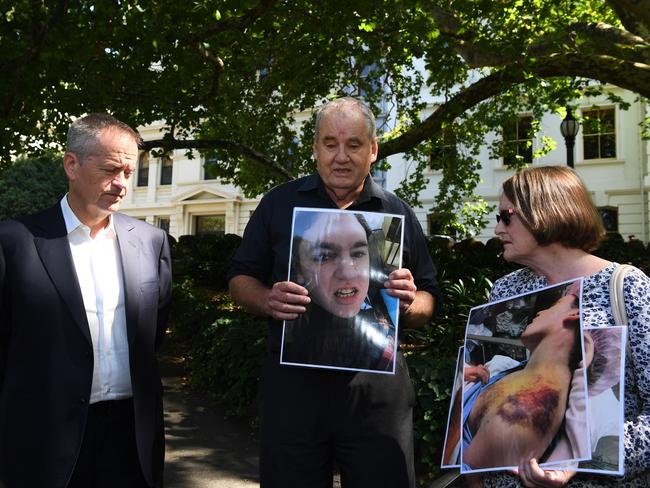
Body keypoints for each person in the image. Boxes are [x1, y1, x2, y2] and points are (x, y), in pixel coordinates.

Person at [227, 96, 440, 488]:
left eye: (354, 144)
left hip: (376, 395)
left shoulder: (396, 213)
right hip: (293, 393)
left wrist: (409, 303)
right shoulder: (280, 203)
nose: (341, 156)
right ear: (315, 149)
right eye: (330, 144)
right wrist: (266, 299)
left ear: (373, 150)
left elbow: (429, 298)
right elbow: (240, 277)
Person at [0, 114, 172, 487]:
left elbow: (153, 332)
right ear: (71, 165)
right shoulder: (14, 241)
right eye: (111, 169)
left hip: (132, 437)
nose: (122, 184)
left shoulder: (150, 241)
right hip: (44, 439)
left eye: (130, 172)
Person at [476, 166, 650, 488]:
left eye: (506, 216)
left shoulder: (626, 287)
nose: (497, 228)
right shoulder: (504, 292)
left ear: (542, 212)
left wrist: (583, 456)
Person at [462, 289, 587, 470]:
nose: (540, 312)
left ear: (575, 314)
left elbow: (464, 475)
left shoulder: (523, 411)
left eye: (554, 306)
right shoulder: (518, 369)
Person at [282, 210, 398, 371]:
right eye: (325, 257)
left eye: (358, 253)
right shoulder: (289, 346)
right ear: (299, 270)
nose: (349, 272)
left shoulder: (386, 343)